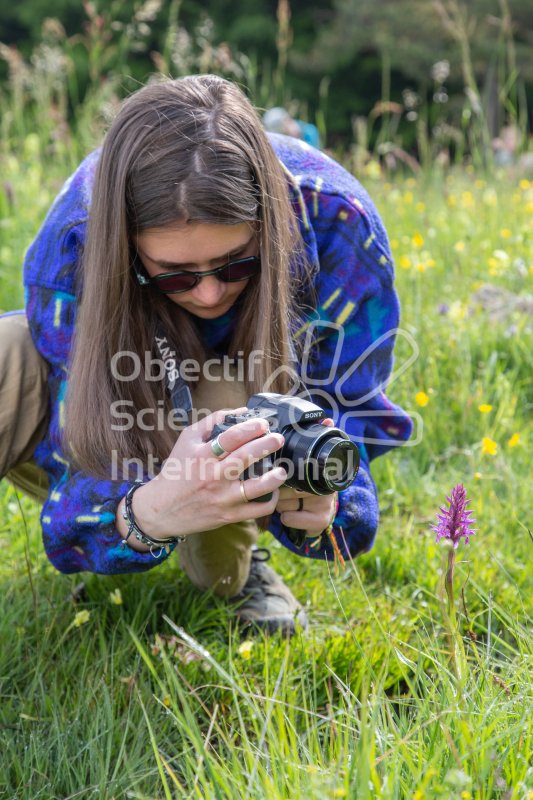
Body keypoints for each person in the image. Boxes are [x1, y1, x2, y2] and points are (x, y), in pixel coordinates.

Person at [0, 75, 412, 636]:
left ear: (267, 223)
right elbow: (78, 433)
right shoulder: (76, 239)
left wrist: (328, 508)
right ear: (129, 249)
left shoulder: (337, 224)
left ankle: (233, 571)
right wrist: (145, 514)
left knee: (226, 409)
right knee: (7, 354)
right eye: (174, 275)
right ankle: (163, 527)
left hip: (246, 408)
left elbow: (350, 414)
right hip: (116, 421)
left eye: (238, 263)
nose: (210, 294)